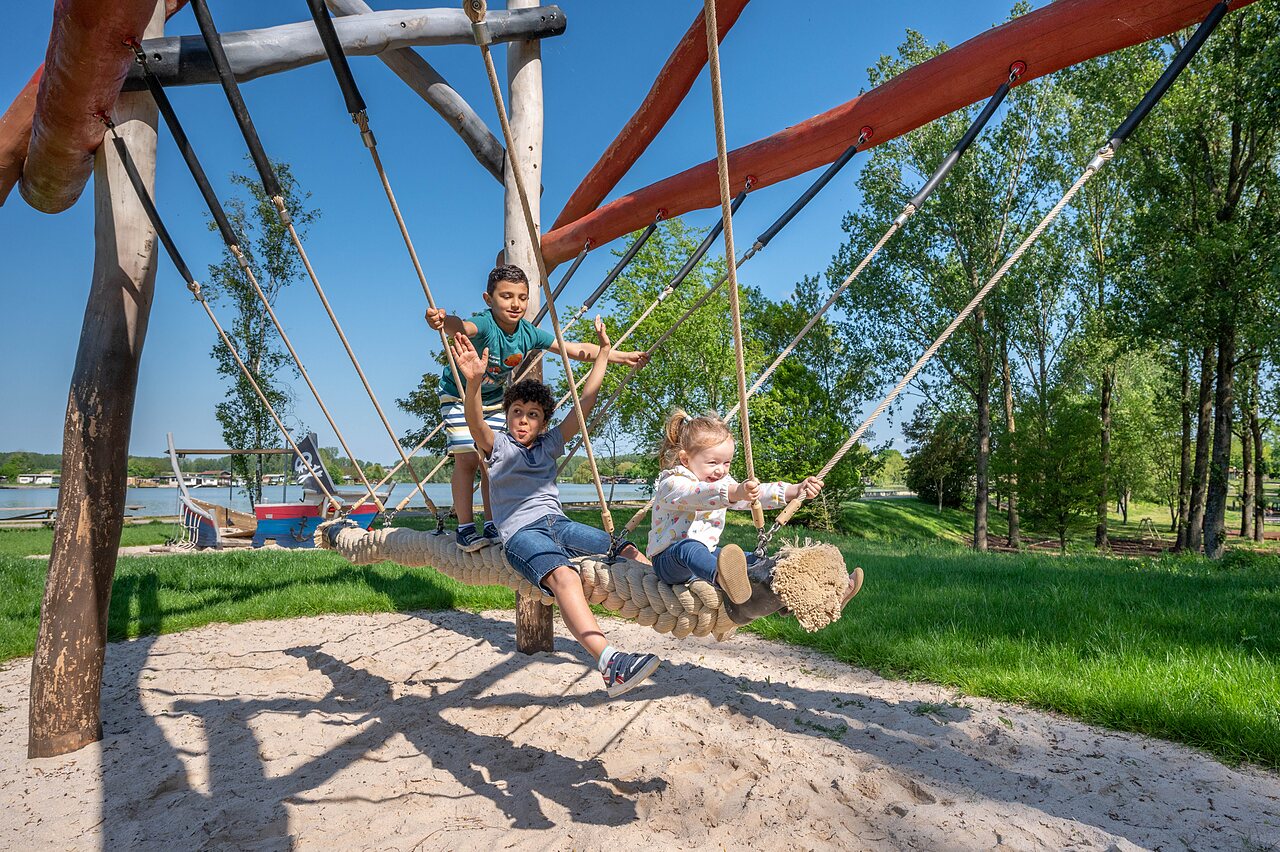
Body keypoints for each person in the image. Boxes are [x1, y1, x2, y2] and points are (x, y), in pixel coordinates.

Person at [453, 318, 661, 698]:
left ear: (543, 422)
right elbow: (474, 420)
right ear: (508, 414)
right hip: (521, 534)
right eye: (517, 412)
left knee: (623, 550)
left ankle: (678, 588)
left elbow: (586, 402)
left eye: (533, 414)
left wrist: (602, 354)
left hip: (557, 523)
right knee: (564, 576)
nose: (523, 420)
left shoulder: (550, 444)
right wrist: (473, 383)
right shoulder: (497, 446)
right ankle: (609, 663)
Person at [426, 264, 648, 552]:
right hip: (459, 393)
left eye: (522, 297)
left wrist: (619, 356)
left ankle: (493, 522)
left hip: (493, 399)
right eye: (506, 296)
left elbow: (575, 349)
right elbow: (461, 326)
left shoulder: (528, 333)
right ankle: (466, 527)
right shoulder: (485, 324)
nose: (515, 304)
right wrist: (442, 321)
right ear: (488, 299)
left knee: (491, 461)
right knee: (467, 457)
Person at [647, 410, 824, 604]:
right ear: (686, 459)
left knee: (751, 561)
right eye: (713, 462)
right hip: (669, 561)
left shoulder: (723, 484)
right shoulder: (671, 483)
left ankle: (806, 588)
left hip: (706, 554)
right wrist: (733, 492)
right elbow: (698, 494)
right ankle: (723, 579)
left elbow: (754, 495)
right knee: (689, 548)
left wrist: (794, 490)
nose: (720, 470)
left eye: (726, 463)